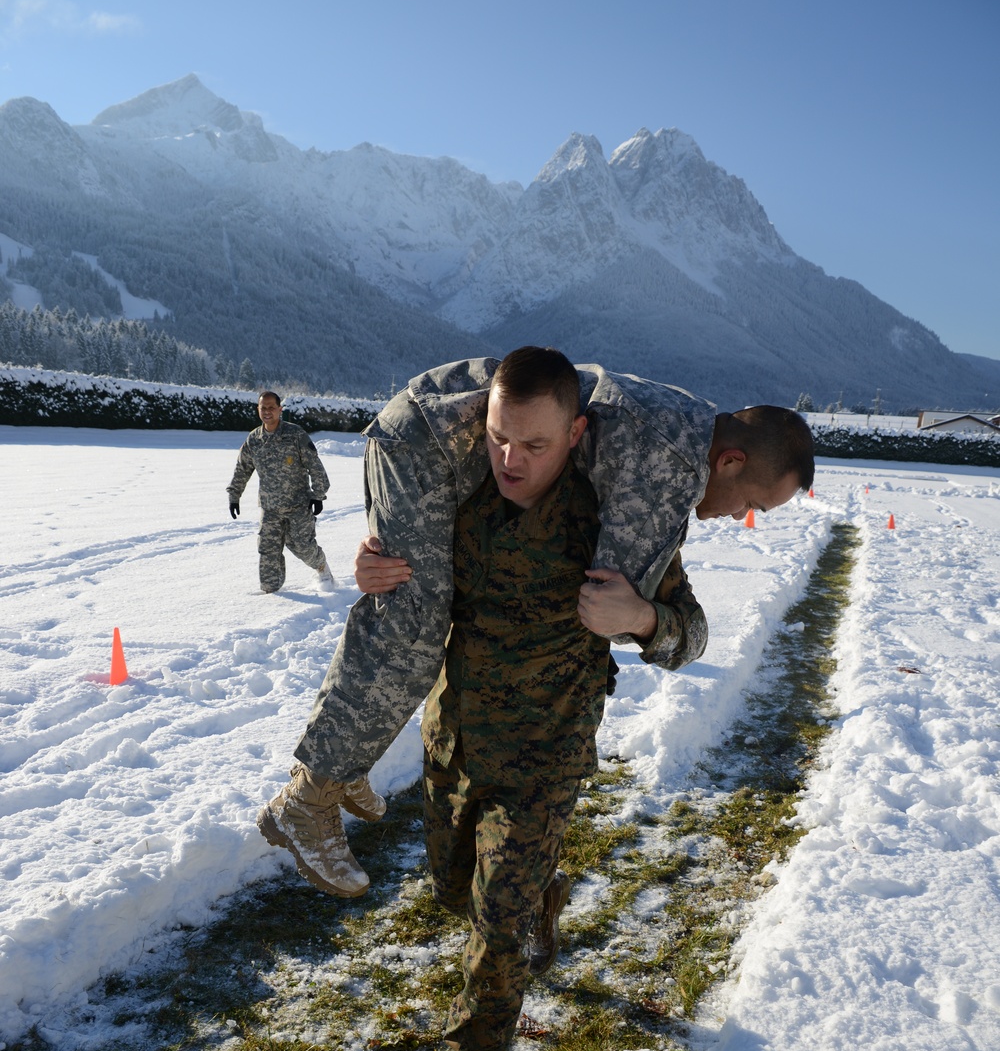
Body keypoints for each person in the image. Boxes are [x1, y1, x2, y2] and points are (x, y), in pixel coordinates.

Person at [257, 352, 814, 895]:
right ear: (731, 461)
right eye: (754, 503)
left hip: (438, 425)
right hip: (428, 440)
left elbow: (646, 607)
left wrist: (647, 617)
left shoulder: (682, 421)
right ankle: (309, 798)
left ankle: (348, 752)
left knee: (408, 595)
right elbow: (608, 607)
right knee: (413, 621)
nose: (742, 515)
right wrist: (639, 615)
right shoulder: (669, 465)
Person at [415, 349, 707, 1051]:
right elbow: (407, 581)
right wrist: (376, 566)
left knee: (494, 921)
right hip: (456, 741)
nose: (511, 460)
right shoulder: (460, 497)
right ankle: (545, 895)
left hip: (545, 757)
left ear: (577, 434)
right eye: (499, 438)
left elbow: (691, 635)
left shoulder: (613, 523)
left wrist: (642, 619)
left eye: (535, 445)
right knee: (451, 892)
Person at [227, 390, 334, 593]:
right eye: (263, 407)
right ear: (258, 410)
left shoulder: (295, 435)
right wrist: (234, 496)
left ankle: (322, 568)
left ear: (279, 410)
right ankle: (271, 595)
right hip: (270, 508)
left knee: (303, 547)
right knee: (267, 551)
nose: (267, 412)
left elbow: (314, 465)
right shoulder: (254, 439)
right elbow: (242, 469)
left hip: (298, 505)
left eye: (271, 407)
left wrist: (318, 494)